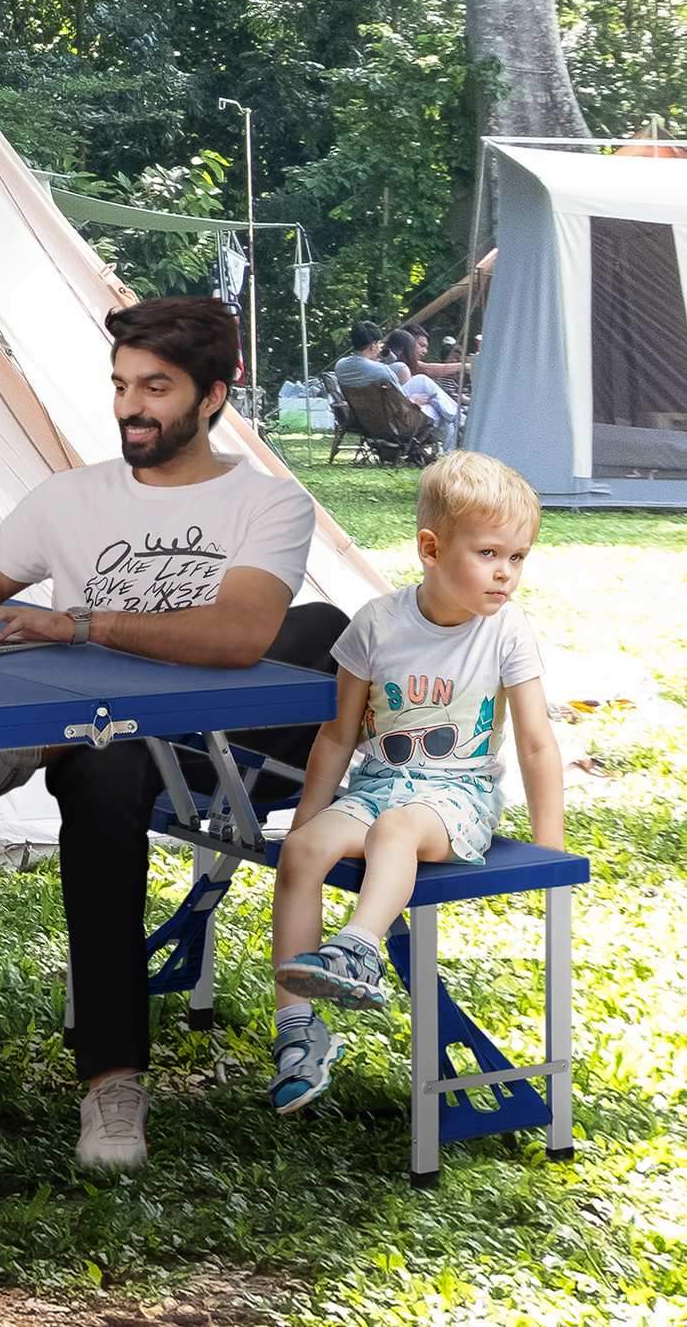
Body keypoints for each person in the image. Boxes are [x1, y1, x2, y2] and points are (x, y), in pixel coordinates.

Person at [0, 296, 346, 1171]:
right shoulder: (67, 499)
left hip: (235, 756)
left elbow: (241, 636)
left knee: (317, 628)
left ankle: (56, 734)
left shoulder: (270, 504)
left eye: (157, 387)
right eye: (122, 385)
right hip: (122, 756)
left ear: (215, 394)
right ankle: (113, 1087)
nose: (131, 405)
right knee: (105, 771)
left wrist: (82, 627)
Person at [266, 452, 563, 1114]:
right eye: (490, 553)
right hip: (378, 784)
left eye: (518, 557)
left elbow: (538, 741)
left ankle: (358, 951)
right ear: (431, 548)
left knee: (396, 831)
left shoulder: (506, 631)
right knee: (303, 852)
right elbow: (338, 736)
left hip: (458, 797)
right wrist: (310, 819)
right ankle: (298, 1037)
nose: (506, 574)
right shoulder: (376, 624)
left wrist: (550, 848)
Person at [384, 328, 460, 452]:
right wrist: (410, 400)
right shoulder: (399, 367)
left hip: (387, 418)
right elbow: (429, 370)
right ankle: (460, 419)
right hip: (400, 418)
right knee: (422, 381)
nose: (425, 351)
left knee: (444, 420)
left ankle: (450, 453)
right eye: (421, 345)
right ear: (408, 345)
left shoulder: (380, 367)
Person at [333, 321, 403, 393]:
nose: (380, 349)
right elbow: (401, 396)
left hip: (356, 403)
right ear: (373, 346)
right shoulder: (382, 370)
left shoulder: (340, 365)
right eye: (379, 344)